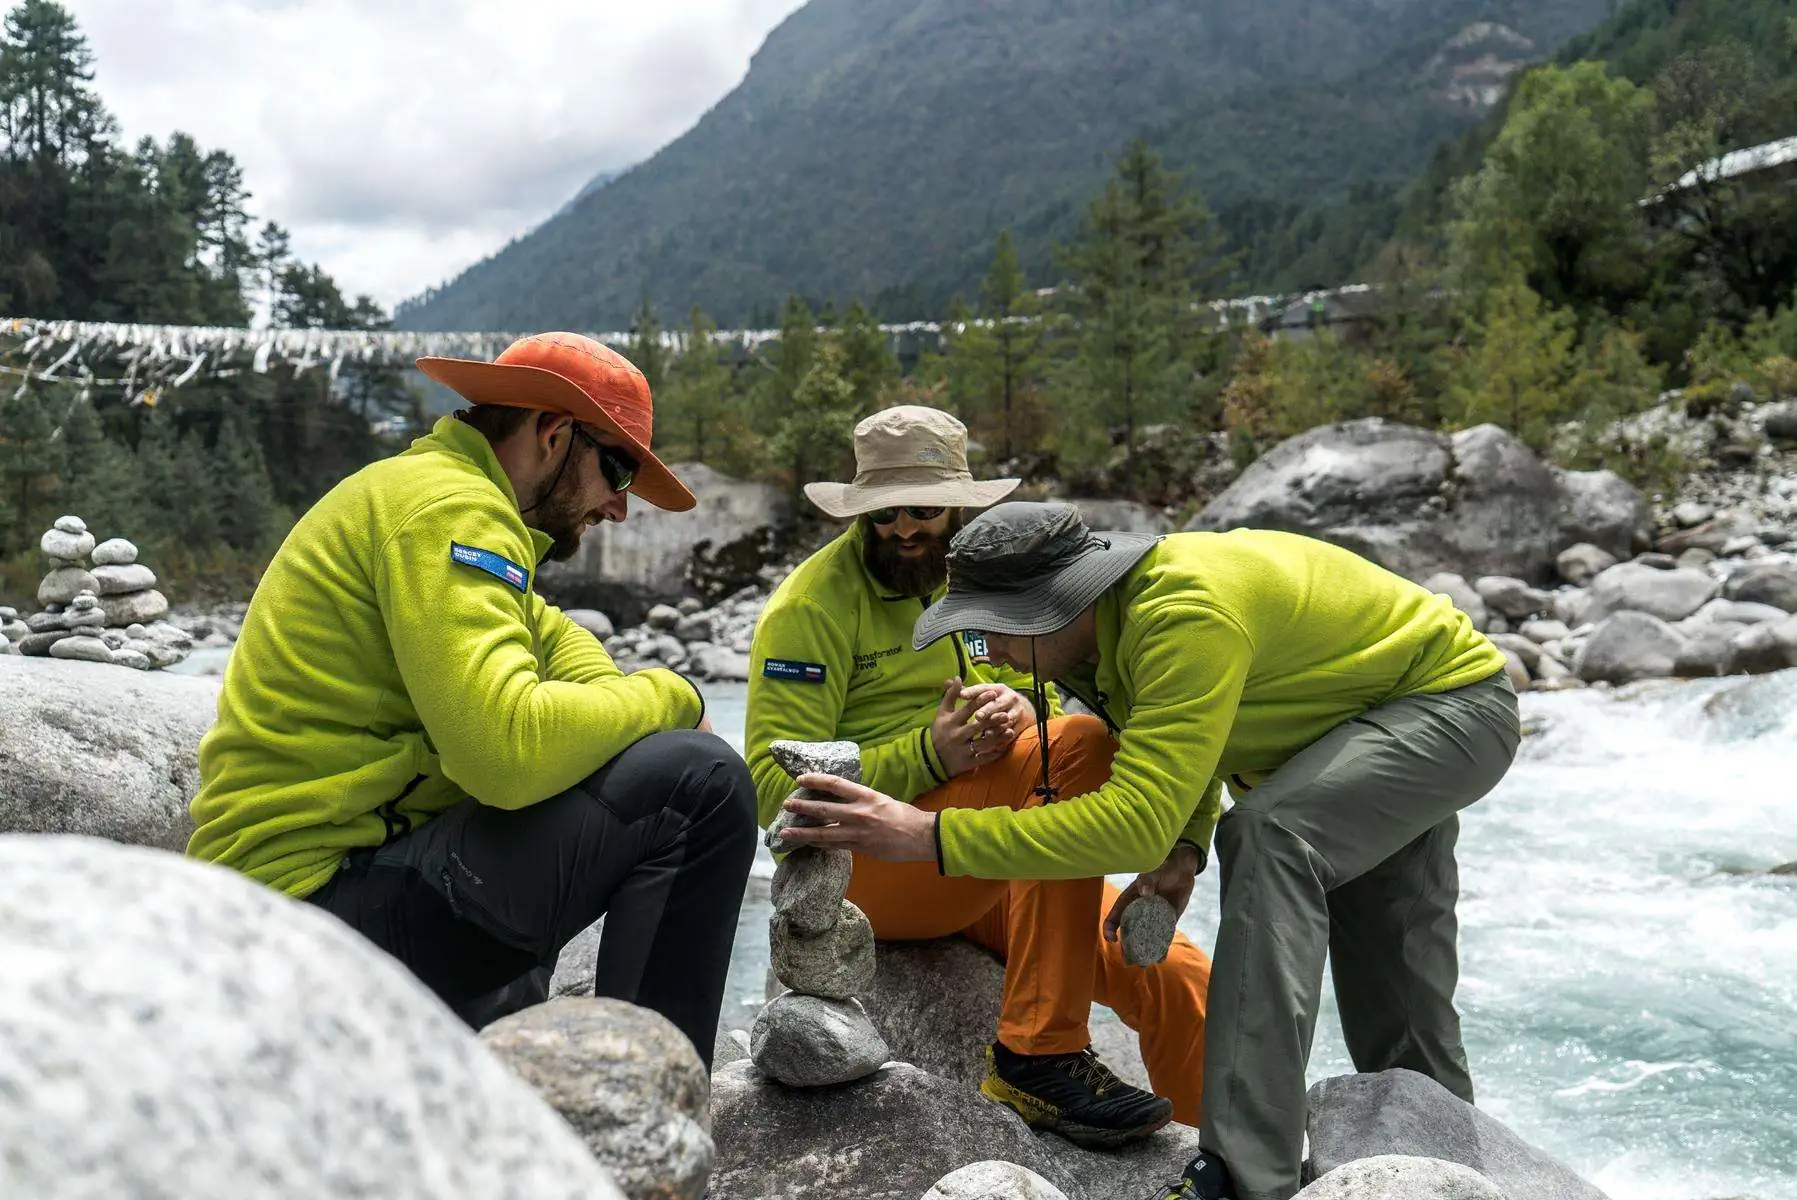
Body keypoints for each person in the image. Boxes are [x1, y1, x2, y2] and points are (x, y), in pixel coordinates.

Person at [775, 501, 1520, 1200]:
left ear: (1053, 607)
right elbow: (1179, 737)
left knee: (1268, 837)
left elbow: (1131, 820)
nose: (986, 652)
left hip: (1448, 704)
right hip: (1348, 723)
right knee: (1399, 983)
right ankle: (1445, 1169)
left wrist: (926, 835)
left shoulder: (1180, 615)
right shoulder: (1099, 632)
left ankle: (1243, 1179)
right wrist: (1185, 849)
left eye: (992, 629)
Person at [188, 332, 757, 1063]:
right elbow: (505, 753)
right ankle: (644, 1111)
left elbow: (549, 635)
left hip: (301, 897)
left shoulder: (424, 494)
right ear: (554, 434)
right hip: (308, 914)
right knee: (699, 783)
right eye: (616, 468)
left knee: (606, 752)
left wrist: (619, 700)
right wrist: (671, 695)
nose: (619, 506)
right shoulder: (451, 511)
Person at [748, 408, 1210, 1146]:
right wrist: (929, 755)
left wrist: (1022, 716)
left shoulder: (991, 578)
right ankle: (1037, 1054)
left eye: (923, 510)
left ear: (961, 506)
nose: (903, 528)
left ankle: (1205, 1167)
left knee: (1181, 982)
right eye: (882, 513)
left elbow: (1051, 700)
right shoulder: (809, 608)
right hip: (871, 871)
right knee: (1084, 748)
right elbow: (773, 797)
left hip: (984, 850)